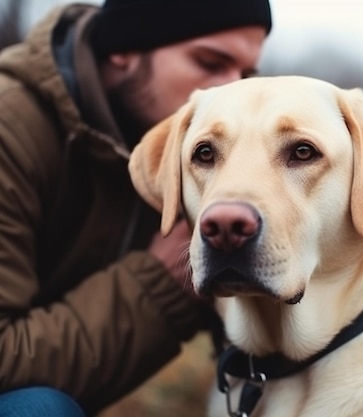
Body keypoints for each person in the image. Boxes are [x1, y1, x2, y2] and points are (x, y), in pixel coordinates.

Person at [0, 0, 272, 415]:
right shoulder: (10, 127)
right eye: (209, 62)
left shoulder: (194, 156)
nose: (230, 92)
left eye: (246, 73)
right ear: (123, 49)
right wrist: (160, 283)